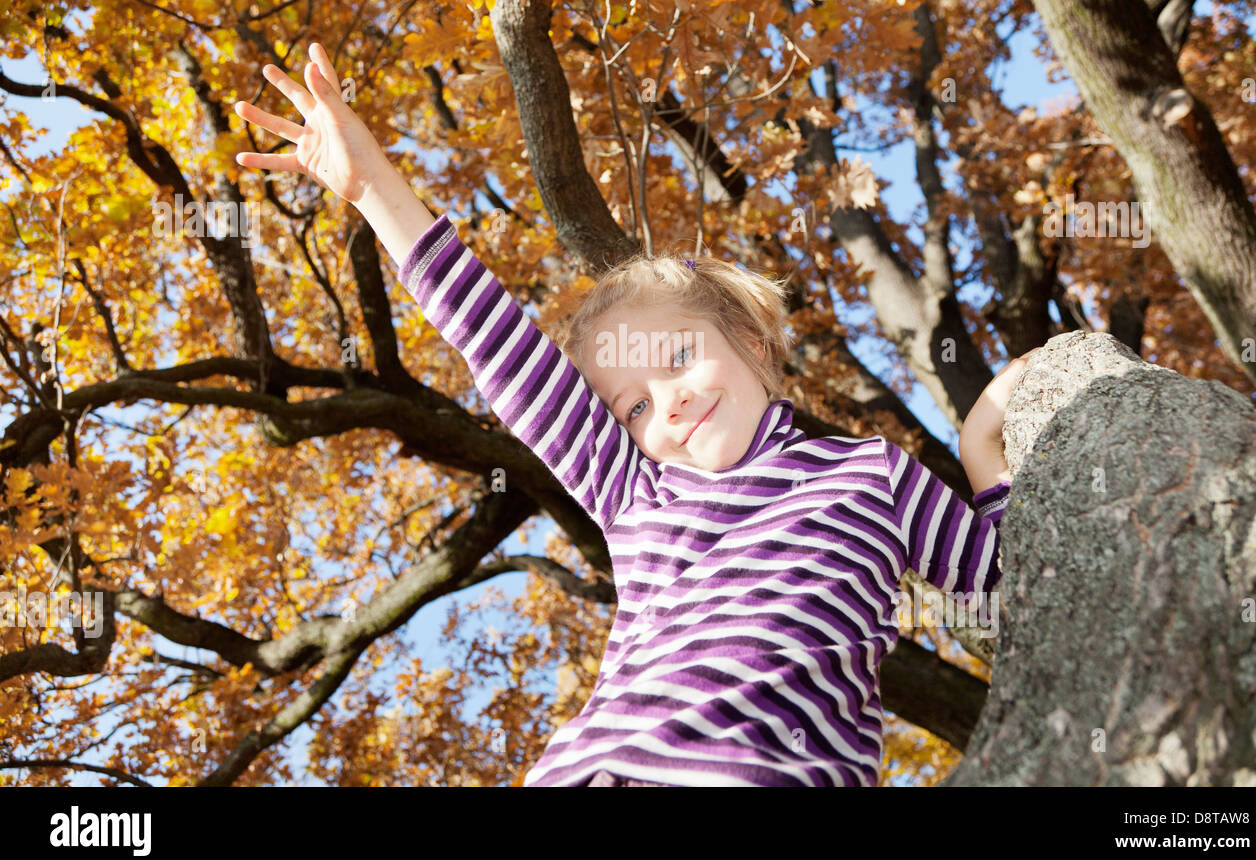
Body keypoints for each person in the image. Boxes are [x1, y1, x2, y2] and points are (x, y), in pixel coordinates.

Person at [234, 43, 1032, 786]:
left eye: (681, 357)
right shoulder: (637, 491)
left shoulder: (874, 475)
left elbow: (1010, 593)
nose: (672, 399)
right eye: (636, 406)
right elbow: (496, 340)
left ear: (752, 340)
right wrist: (374, 185)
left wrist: (981, 459)